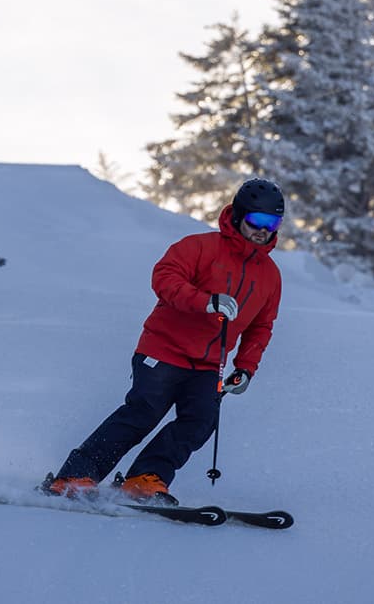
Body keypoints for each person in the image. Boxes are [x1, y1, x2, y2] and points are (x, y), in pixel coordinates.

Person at [42, 178, 286, 505]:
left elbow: (261, 326)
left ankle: (144, 479)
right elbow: (164, 277)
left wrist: (246, 368)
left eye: (272, 223)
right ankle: (75, 475)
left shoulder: (270, 275)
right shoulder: (200, 247)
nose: (263, 230)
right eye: (257, 220)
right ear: (239, 215)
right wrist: (205, 301)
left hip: (208, 363)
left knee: (199, 421)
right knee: (144, 412)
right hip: (163, 349)